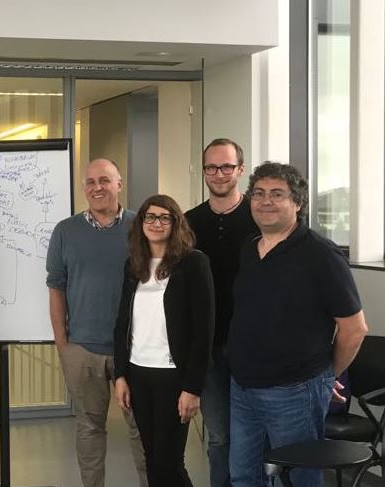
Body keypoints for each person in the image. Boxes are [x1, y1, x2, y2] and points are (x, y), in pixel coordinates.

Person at [227, 162, 368, 487]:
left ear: (298, 203)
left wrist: (325, 377)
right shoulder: (249, 248)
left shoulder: (320, 254)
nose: (266, 201)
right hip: (243, 388)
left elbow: (354, 328)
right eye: (258, 193)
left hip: (294, 392)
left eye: (277, 194)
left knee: (298, 480)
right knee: (243, 477)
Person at [45, 158, 147, 487]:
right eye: (90, 182)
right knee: (89, 430)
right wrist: (64, 346)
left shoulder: (141, 227)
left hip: (134, 350)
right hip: (82, 350)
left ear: (119, 184)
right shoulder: (65, 231)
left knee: (143, 429)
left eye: (104, 180)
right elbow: (56, 288)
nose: (97, 187)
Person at [114, 194, 214, 487]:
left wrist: (192, 388)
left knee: (169, 461)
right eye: (150, 217)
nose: (156, 223)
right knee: (152, 459)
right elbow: (122, 323)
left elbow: (203, 330)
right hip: (138, 372)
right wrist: (120, 375)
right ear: (141, 223)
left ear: (175, 223)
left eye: (164, 218)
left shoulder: (193, 263)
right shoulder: (133, 265)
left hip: (173, 376)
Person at [185, 138, 257, 487]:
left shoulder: (260, 217)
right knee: (219, 437)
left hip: (254, 347)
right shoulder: (189, 223)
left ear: (240, 169)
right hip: (209, 348)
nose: (219, 173)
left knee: (256, 433)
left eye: (226, 166)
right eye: (211, 167)